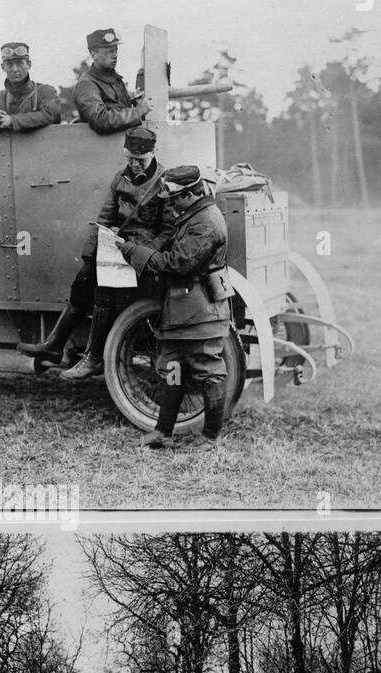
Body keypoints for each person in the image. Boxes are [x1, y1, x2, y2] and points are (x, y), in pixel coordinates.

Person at [17, 125, 164, 376]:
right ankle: (55, 345)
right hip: (115, 247)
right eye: (130, 159)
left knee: (103, 291)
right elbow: (104, 218)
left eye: (139, 160)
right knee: (83, 279)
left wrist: (141, 250)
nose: (135, 165)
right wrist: (90, 256)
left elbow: (167, 230)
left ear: (153, 153)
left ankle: (94, 358)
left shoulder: (162, 182)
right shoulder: (120, 178)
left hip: (140, 254)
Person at [114, 164, 234, 452]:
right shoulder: (194, 215)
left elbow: (177, 264)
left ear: (190, 195)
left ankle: (210, 439)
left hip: (200, 312)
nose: (172, 205)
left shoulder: (205, 223)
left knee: (209, 372)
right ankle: (163, 433)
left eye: (175, 199)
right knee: (171, 368)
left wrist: (132, 251)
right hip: (183, 310)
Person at [0, 42, 61, 134]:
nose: (15, 69)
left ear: (29, 64)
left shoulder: (45, 91)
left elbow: (52, 114)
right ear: (3, 67)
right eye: (9, 64)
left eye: (19, 63)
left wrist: (12, 121)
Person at [72, 28, 152, 135]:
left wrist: (134, 102)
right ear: (93, 54)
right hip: (101, 148)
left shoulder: (115, 80)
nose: (115, 55)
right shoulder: (87, 84)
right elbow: (101, 120)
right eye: (109, 51)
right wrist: (138, 111)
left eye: (116, 50)